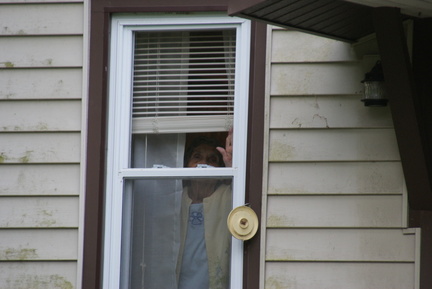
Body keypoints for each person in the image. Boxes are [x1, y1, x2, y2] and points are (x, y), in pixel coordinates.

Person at [177, 130, 233, 289]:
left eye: (212, 160)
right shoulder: (175, 199)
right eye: (197, 157)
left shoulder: (228, 196)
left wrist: (232, 167)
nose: (203, 164)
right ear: (186, 165)